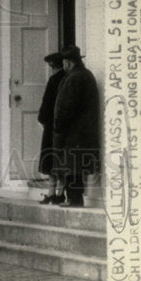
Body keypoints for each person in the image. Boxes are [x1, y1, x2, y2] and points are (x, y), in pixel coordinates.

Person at [53, 45, 100, 208]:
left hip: (74, 131)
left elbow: (67, 107)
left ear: (68, 62)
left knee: (72, 166)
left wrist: (58, 126)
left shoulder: (74, 78)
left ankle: (73, 198)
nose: (63, 65)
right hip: (83, 131)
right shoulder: (86, 75)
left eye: (64, 62)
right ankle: (74, 197)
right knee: (76, 166)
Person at [37, 51, 66, 204]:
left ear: (53, 65)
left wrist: (41, 119)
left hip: (51, 126)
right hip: (62, 126)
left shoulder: (54, 79)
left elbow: (47, 103)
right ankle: (60, 193)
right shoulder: (67, 77)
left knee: (51, 161)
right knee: (60, 161)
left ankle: (51, 193)